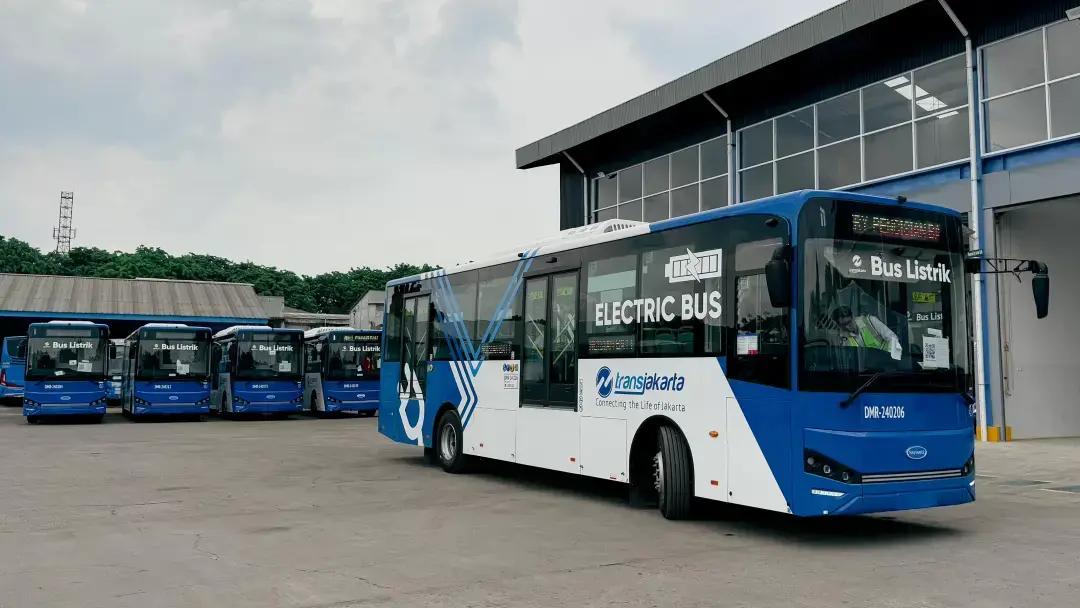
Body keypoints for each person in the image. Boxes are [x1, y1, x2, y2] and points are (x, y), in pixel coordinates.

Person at [831, 306, 902, 361]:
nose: (847, 326)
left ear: (853, 317)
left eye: (849, 322)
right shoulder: (844, 338)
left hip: (887, 363)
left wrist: (894, 359)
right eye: (843, 324)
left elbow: (893, 338)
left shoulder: (870, 322)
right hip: (866, 370)